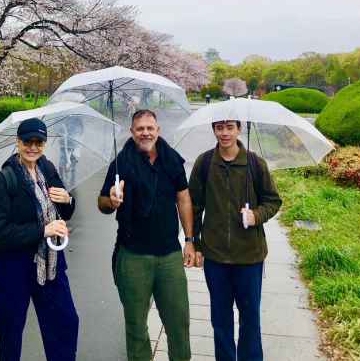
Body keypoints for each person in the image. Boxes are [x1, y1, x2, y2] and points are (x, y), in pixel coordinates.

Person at [98, 109, 195, 361]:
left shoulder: (172, 160)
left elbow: (183, 198)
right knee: (136, 326)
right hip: (132, 255)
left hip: (169, 255)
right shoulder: (120, 164)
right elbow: (101, 203)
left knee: (178, 323)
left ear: (158, 130)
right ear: (132, 132)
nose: (145, 133)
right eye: (140, 128)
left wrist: (189, 240)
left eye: (150, 128)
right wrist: (111, 199)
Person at [0, 118, 79, 361]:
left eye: (39, 142)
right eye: (28, 141)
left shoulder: (46, 169)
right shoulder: (4, 180)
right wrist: (42, 230)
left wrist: (68, 200)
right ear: (18, 142)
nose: (33, 147)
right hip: (12, 271)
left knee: (65, 324)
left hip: (51, 266)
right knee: (11, 336)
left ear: (44, 144)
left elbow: (65, 211)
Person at [189, 120, 282, 361]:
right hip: (216, 257)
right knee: (220, 320)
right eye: (219, 128)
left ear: (239, 129)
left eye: (229, 127)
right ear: (213, 130)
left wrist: (256, 216)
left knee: (250, 320)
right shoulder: (205, 163)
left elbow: (273, 201)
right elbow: (195, 206)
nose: (224, 133)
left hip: (249, 256)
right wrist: (195, 244)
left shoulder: (254, 163)